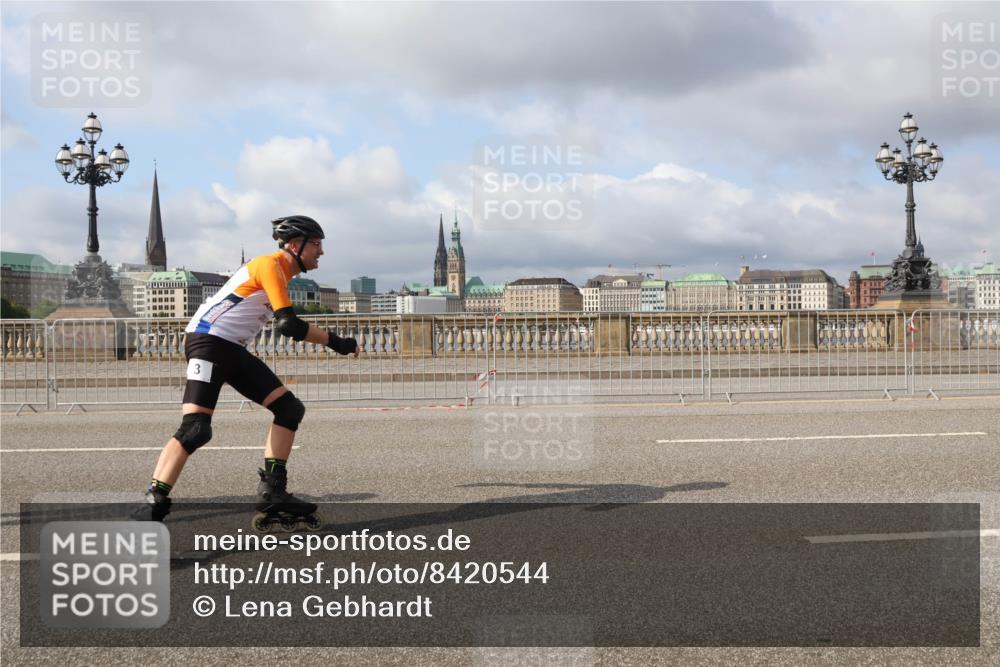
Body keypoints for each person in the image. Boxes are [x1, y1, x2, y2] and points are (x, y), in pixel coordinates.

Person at [135, 215, 360, 526]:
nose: (320, 253)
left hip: (231, 348)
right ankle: (153, 501)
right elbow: (289, 325)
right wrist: (339, 343)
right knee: (196, 428)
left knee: (289, 409)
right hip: (208, 342)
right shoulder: (268, 265)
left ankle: (273, 492)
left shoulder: (283, 275)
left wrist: (338, 344)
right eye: (317, 245)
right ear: (296, 245)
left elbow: (286, 324)